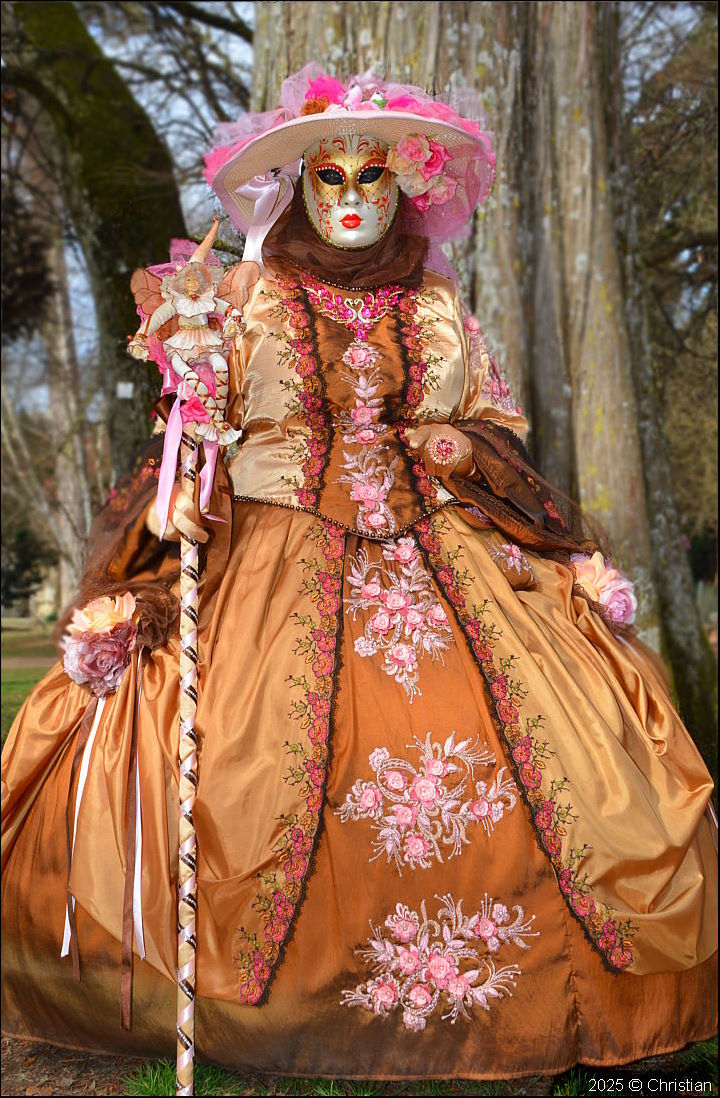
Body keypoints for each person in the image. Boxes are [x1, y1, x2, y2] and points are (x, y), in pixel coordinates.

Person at [2, 63, 717, 1083]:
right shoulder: (243, 298)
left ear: (403, 186)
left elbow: (492, 423)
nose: (348, 197)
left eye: (370, 176)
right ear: (299, 187)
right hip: (272, 556)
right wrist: (186, 474)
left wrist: (459, 449)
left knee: (558, 751)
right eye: (327, 177)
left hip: (443, 549)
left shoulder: (439, 306)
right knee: (245, 755)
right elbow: (192, 434)